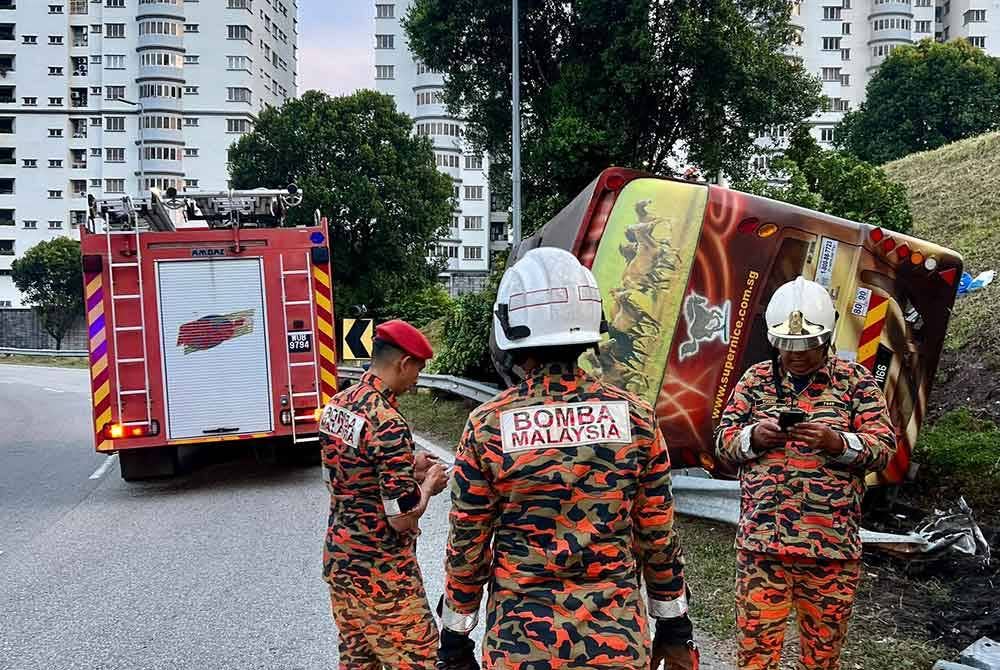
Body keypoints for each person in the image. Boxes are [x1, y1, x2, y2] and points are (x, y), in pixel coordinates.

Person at [435, 247, 699, 670]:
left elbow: (469, 545)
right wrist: (674, 625)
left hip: (521, 647)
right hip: (617, 645)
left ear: (510, 329)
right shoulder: (635, 418)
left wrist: (455, 637)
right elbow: (657, 535)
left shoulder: (488, 425)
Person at [715, 276, 896, 670]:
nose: (794, 354)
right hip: (763, 549)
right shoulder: (755, 380)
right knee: (755, 658)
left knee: (822, 658)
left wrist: (837, 442)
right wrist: (753, 437)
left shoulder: (855, 384)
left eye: (806, 346)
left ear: (826, 337)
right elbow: (723, 443)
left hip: (830, 552)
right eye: (786, 345)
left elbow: (884, 449)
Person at [319, 319, 450, 670]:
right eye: (418, 370)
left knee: (359, 662)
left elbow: (347, 476)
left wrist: (407, 465)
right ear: (404, 363)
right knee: (420, 660)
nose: (417, 380)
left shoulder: (337, 405)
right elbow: (402, 518)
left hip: (341, 566)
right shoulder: (388, 421)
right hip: (382, 578)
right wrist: (428, 484)